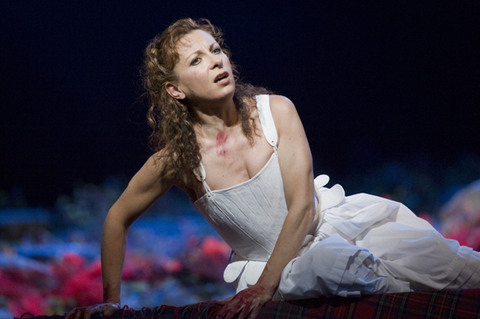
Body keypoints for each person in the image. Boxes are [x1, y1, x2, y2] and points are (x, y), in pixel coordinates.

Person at [68, 18, 480, 319]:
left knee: (452, 267)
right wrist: (111, 300)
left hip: (335, 225)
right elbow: (116, 219)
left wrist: (265, 290)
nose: (216, 61)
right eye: (197, 59)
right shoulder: (177, 160)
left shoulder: (276, 111)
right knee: (333, 266)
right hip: (283, 266)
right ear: (175, 89)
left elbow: (302, 206)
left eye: (216, 50)